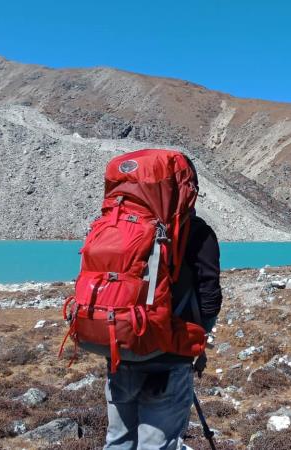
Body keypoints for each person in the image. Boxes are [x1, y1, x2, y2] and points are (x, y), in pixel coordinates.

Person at [104, 156, 223, 450]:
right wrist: (198, 338)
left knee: (118, 440)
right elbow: (210, 298)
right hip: (169, 354)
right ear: (185, 188)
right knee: (158, 445)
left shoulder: (115, 225)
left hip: (121, 347)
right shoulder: (196, 231)